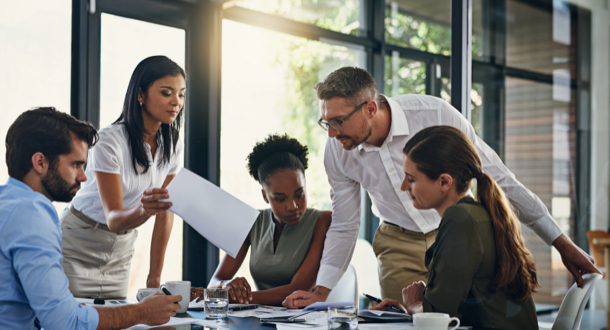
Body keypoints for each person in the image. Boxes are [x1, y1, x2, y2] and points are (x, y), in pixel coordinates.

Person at [283, 66, 600, 308]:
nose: (331, 134)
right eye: (326, 122)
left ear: (369, 108)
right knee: (404, 323)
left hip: (454, 237)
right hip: (397, 243)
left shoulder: (435, 115)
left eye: (337, 121)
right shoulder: (338, 149)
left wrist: (561, 243)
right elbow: (345, 223)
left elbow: (499, 179)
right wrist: (321, 291)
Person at [0, 107, 183, 330]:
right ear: (40, 163)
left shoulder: (7, 201)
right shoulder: (32, 213)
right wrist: (142, 312)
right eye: (75, 164)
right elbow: (64, 322)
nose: (83, 176)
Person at [371, 126, 539, 329]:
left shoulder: (460, 219)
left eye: (412, 179)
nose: (404, 187)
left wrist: (414, 306)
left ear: (444, 182)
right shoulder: (479, 213)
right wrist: (419, 304)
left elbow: (439, 316)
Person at [60, 55, 186, 298]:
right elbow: (114, 218)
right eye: (166, 92)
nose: (176, 102)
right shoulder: (108, 141)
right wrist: (145, 209)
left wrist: (154, 277)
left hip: (121, 249)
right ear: (140, 94)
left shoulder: (173, 142)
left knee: (116, 320)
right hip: (78, 243)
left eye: (181, 94)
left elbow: (165, 211)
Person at [197, 134, 332, 306]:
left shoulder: (323, 221)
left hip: (309, 322)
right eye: (280, 198)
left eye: (299, 195)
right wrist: (226, 286)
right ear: (265, 196)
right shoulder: (251, 221)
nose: (293, 206)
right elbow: (216, 280)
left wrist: (233, 297)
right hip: (261, 319)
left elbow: (298, 289)